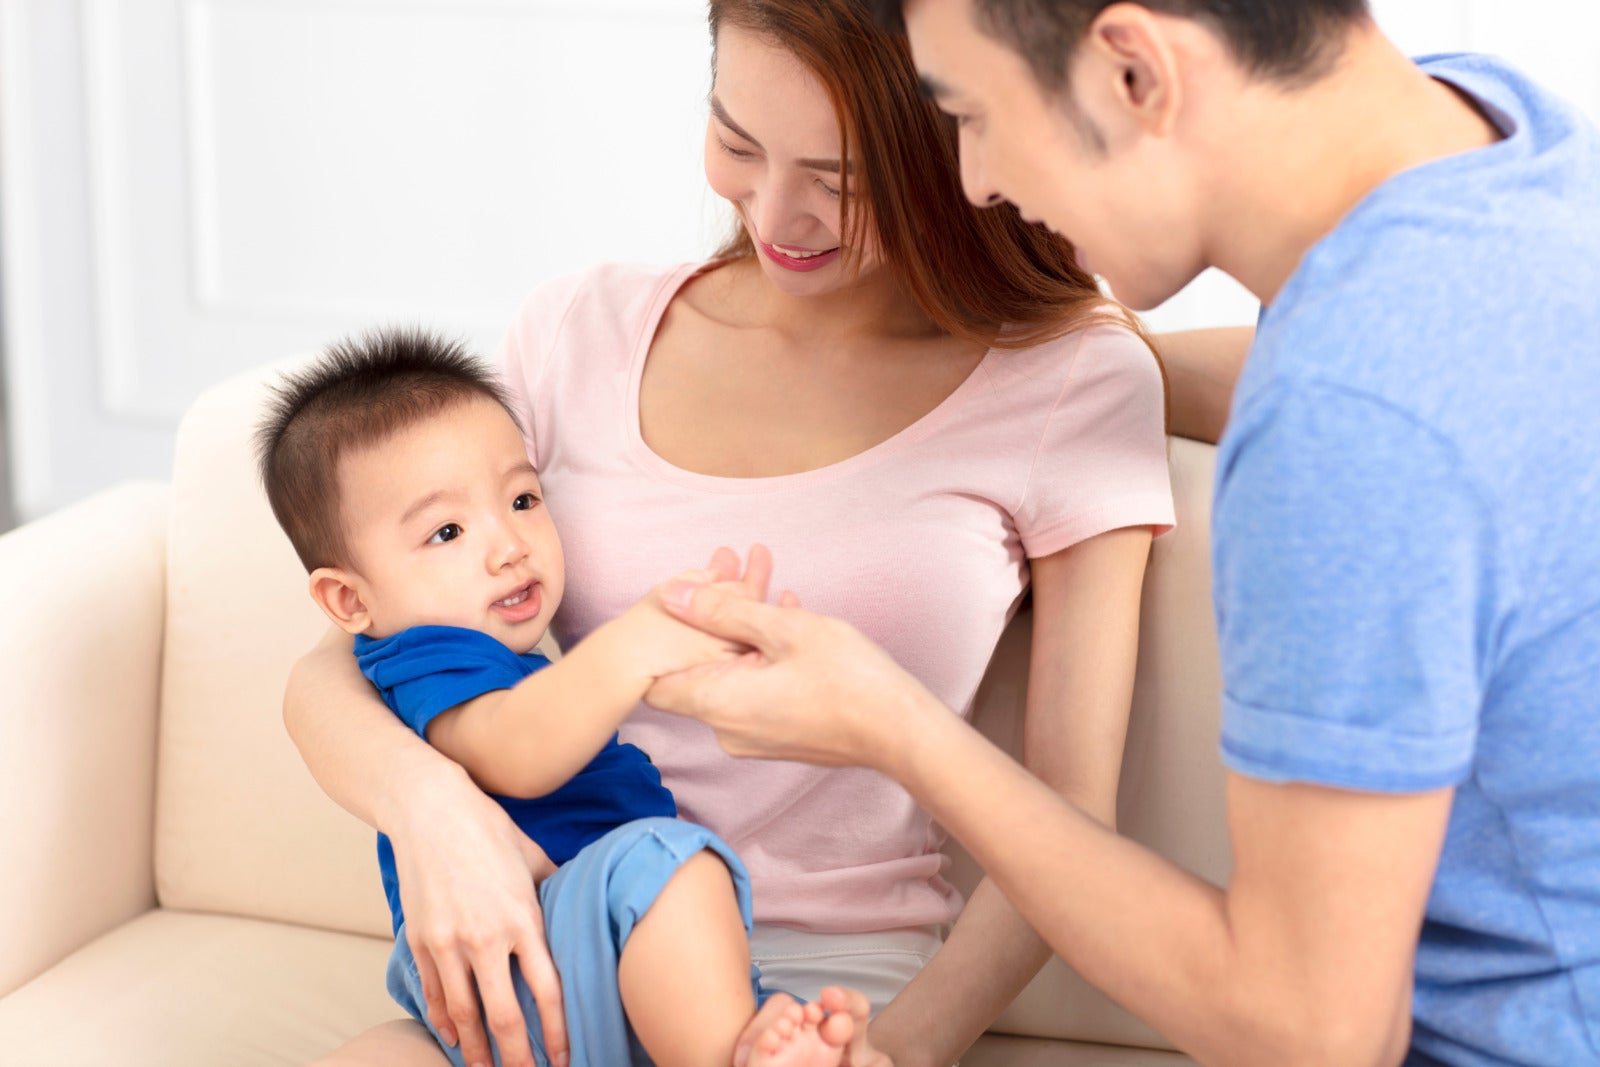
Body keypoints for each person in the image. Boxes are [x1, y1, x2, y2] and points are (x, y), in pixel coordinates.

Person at [646, 1, 1600, 1064]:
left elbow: (1315, 1035)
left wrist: (895, 726)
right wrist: (1083, 371)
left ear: (1135, 73)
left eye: (975, 112)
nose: (971, 182)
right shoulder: (1504, 141)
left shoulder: (1347, 419)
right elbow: (1435, 395)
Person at [279, 2, 1216, 1065]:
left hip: (825, 981)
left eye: (844, 178)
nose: (777, 211)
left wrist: (901, 1049)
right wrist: (436, 814)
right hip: (548, 922)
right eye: (735, 139)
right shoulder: (579, 331)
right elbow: (350, 657)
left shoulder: (1070, 384)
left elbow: (1066, 817)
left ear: (974, 138)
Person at [256, 328, 880, 1067]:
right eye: (447, 530)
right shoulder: (424, 656)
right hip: (524, 953)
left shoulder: (490, 652)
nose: (509, 544)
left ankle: (738, 1047)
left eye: (522, 498)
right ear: (347, 599)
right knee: (671, 863)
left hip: (555, 984)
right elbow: (514, 748)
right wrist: (637, 642)